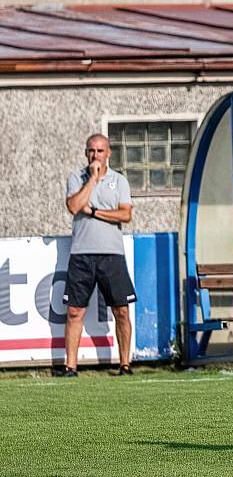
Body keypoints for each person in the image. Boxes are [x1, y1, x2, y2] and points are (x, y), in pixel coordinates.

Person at [63, 133, 136, 377]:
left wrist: (93, 211)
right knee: (75, 312)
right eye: (92, 151)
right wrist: (92, 180)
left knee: (121, 311)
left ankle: (125, 364)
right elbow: (74, 206)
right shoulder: (77, 178)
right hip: (82, 254)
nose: (96, 155)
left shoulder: (120, 181)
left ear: (109, 153)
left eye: (101, 150)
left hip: (111, 254)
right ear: (86, 153)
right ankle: (71, 366)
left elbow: (125, 215)